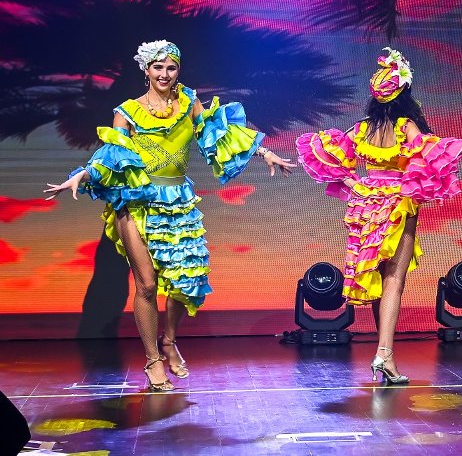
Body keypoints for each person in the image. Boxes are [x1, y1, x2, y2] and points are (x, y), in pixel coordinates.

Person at [44, 39, 295, 391]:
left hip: (178, 200)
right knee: (146, 284)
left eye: (171, 67)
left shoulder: (189, 103)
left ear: (178, 70)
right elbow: (110, 154)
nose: (164, 74)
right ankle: (152, 360)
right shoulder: (127, 111)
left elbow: (220, 135)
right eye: (158, 67)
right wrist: (82, 175)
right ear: (146, 70)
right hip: (136, 203)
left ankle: (169, 340)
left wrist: (264, 152)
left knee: (184, 280)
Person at [296, 47, 462, 385]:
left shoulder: (362, 129)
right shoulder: (404, 126)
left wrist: (356, 184)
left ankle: (384, 353)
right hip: (398, 205)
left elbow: (331, 157)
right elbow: (431, 149)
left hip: (366, 205)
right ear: (404, 94)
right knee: (393, 281)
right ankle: (384, 354)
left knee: (379, 279)